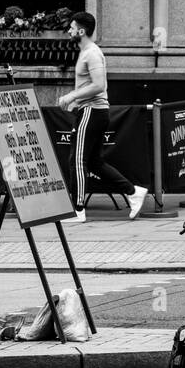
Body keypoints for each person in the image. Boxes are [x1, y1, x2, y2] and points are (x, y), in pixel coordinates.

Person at [59, 11, 147, 223]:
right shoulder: (87, 52)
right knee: (95, 162)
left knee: (77, 160)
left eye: (72, 28)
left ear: (81, 31)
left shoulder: (91, 53)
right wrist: (77, 102)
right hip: (92, 111)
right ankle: (133, 191)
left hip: (92, 111)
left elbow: (99, 85)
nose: (69, 31)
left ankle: (77, 209)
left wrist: (72, 96)